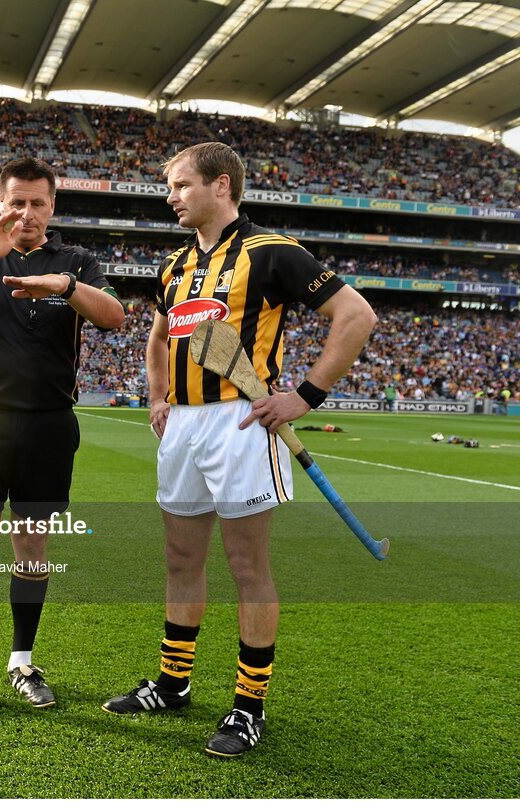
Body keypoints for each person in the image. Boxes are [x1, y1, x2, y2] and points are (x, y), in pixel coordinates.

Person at [101, 142, 375, 757]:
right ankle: (173, 685)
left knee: (248, 566)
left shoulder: (271, 252)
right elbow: (160, 333)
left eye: (180, 185)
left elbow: (355, 315)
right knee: (180, 559)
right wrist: (157, 394)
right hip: (185, 425)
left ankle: (248, 708)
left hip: (244, 422)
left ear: (221, 185)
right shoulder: (174, 266)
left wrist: (305, 395)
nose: (170, 197)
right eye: (168, 187)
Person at [0, 157, 125, 724]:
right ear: (0, 203)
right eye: (16, 201)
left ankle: (22, 662)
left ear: (52, 207)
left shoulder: (76, 261)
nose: (26, 213)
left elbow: (115, 317)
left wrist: (67, 285)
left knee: (33, 550)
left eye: (37, 203)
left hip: (48, 426)